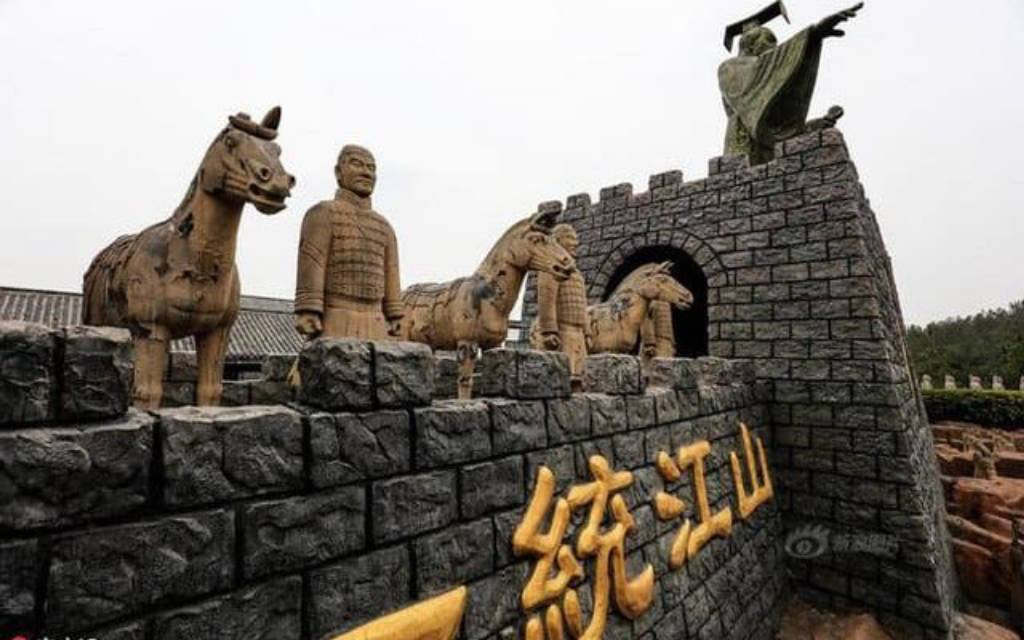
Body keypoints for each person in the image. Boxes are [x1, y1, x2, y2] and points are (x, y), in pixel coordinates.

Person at [718, 2, 862, 163]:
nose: (774, 47)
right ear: (749, 44)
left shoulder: (765, 83)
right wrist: (813, 34)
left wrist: (816, 125)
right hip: (742, 147)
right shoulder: (730, 69)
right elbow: (766, 67)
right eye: (767, 41)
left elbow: (782, 128)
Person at [294, 145, 402, 340]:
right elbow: (313, 261)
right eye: (357, 164)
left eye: (371, 168)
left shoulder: (385, 226)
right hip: (336, 315)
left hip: (377, 319)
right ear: (338, 172)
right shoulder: (322, 213)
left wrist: (394, 313)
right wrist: (308, 308)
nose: (366, 173)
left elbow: (391, 270)